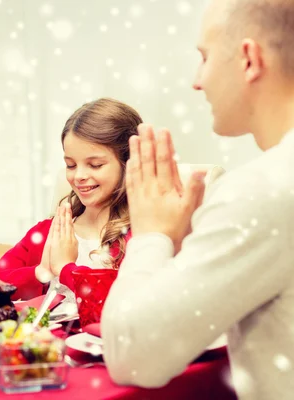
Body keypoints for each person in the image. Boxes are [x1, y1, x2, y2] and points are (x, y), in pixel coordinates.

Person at [101, 0, 294, 398]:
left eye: (204, 58)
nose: (197, 80)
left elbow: (132, 354)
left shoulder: (267, 188)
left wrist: (151, 235)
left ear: (248, 59)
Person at [0, 98, 138, 307]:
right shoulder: (50, 232)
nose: (79, 176)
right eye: (71, 165)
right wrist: (40, 272)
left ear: (128, 163)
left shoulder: (142, 236)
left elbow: (128, 304)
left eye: (95, 165)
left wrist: (66, 268)